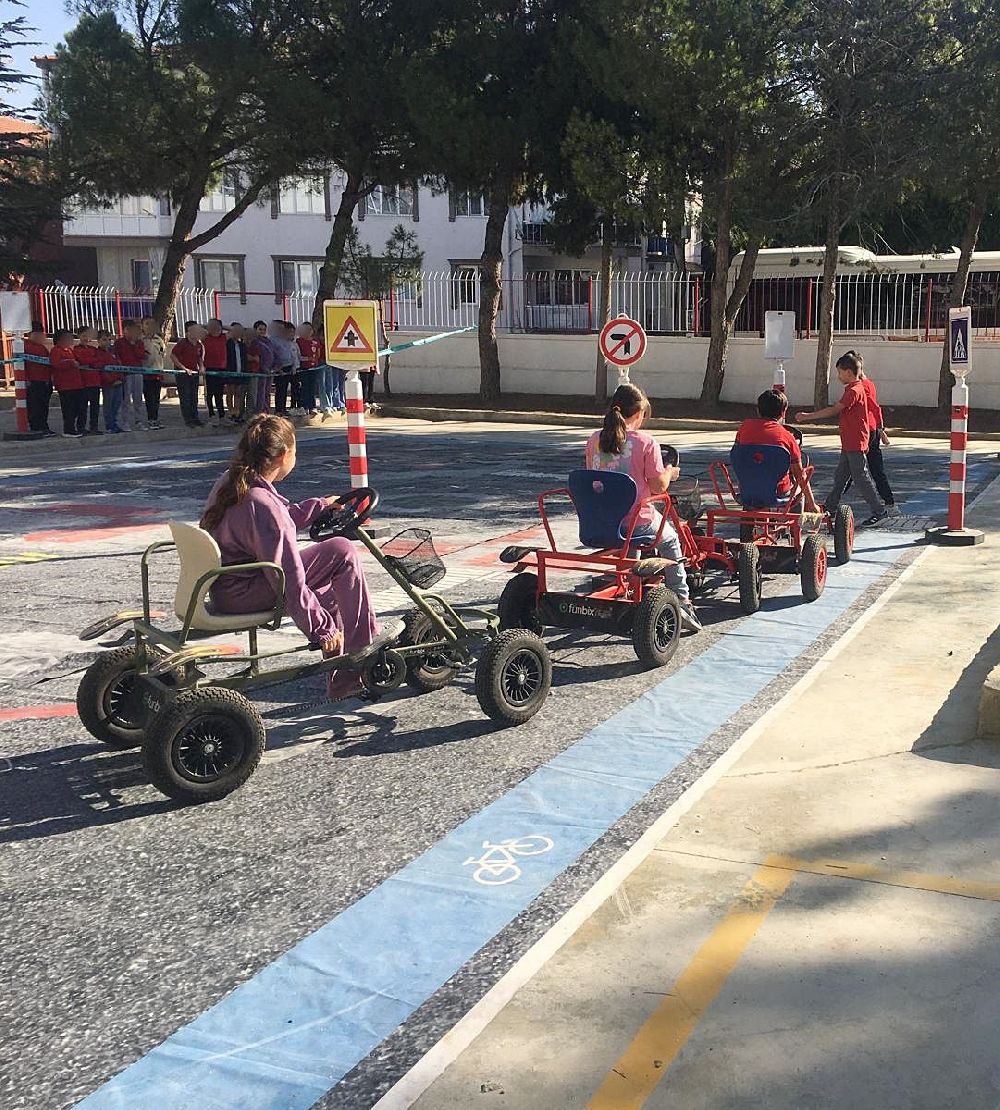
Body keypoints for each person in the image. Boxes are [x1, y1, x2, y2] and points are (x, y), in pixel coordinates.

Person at [199, 414, 401, 700]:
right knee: (341, 551)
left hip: (228, 586)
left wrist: (320, 506)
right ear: (283, 455)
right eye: (295, 451)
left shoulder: (235, 481)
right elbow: (288, 578)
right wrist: (322, 630)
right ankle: (361, 651)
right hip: (245, 591)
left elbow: (281, 519)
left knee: (329, 582)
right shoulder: (262, 504)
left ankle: (345, 678)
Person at [586, 382, 702, 632]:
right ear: (638, 414)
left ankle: (628, 584)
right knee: (669, 539)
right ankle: (682, 600)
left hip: (600, 520)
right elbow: (659, 486)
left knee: (633, 532)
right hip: (634, 522)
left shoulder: (594, 439)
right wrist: (670, 472)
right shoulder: (646, 442)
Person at [796, 350, 887, 527]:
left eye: (839, 372)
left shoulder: (853, 390)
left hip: (855, 441)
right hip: (850, 441)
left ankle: (878, 511)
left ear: (848, 371)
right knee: (841, 477)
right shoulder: (856, 388)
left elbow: (834, 410)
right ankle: (830, 507)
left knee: (861, 477)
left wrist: (808, 416)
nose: (838, 376)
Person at [735, 389, 820, 512]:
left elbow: (738, 454)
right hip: (778, 491)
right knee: (798, 490)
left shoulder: (744, 428)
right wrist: (812, 503)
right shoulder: (787, 437)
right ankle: (795, 529)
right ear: (783, 412)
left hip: (747, 489)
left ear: (758, 410)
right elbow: (799, 473)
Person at [855, 355, 896, 514]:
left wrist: (880, 429)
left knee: (861, 469)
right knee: (860, 469)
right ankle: (888, 502)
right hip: (869, 430)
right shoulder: (868, 384)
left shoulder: (862, 386)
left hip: (866, 431)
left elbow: (874, 408)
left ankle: (888, 503)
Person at [49, 329, 86, 438]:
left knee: (78, 408)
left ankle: (77, 428)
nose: (71, 340)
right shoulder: (56, 350)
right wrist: (70, 363)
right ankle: (68, 429)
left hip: (76, 384)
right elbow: (56, 364)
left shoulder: (70, 351)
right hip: (65, 385)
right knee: (68, 409)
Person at [171, 320, 206, 427]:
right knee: (185, 397)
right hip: (182, 374)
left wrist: (201, 367)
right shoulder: (182, 343)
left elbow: (200, 358)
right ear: (188, 332)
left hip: (194, 373)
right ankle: (188, 419)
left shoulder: (199, 345)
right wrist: (184, 368)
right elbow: (173, 356)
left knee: (193, 397)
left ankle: (195, 418)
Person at [114, 319, 148, 431]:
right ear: (125, 330)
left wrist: (134, 345)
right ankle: (125, 422)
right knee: (126, 399)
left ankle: (139, 421)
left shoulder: (139, 343)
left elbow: (141, 355)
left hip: (138, 372)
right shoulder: (119, 343)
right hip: (126, 374)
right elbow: (117, 358)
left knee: (138, 398)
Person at [23, 320, 55, 436]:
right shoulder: (24, 347)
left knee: (44, 406)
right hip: (32, 381)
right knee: (33, 406)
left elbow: (49, 364)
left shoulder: (42, 348)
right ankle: (35, 427)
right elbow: (22, 365)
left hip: (44, 381)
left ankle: (44, 426)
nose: (39, 336)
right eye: (36, 334)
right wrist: (26, 379)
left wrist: (50, 379)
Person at [73, 325, 104, 435]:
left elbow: (100, 361)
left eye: (88, 336)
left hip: (95, 381)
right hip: (83, 382)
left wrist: (91, 363)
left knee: (95, 407)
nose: (86, 338)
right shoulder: (76, 349)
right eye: (83, 335)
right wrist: (92, 362)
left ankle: (94, 427)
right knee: (82, 407)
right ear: (79, 336)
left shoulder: (94, 349)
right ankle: (81, 427)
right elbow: (82, 360)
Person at [95, 329, 124, 433]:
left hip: (119, 382)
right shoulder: (98, 353)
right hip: (108, 383)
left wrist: (120, 378)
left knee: (117, 403)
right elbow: (101, 368)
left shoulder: (113, 353)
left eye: (108, 340)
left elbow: (119, 366)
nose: (106, 342)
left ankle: (115, 423)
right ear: (98, 341)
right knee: (109, 404)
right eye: (103, 340)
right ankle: (109, 425)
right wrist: (111, 380)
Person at [140, 315, 165, 429]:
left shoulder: (158, 339)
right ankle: (151, 419)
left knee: (156, 397)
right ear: (142, 326)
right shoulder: (140, 340)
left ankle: (155, 418)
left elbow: (162, 353)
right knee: (149, 397)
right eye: (147, 324)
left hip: (158, 372)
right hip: (146, 374)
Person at [203, 317, 229, 426]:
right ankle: (211, 414)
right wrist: (207, 326)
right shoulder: (205, 337)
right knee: (210, 393)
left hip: (221, 368)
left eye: (215, 325)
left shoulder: (223, 337)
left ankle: (222, 415)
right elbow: (196, 328)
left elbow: (236, 331)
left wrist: (222, 326)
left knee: (219, 393)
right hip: (209, 368)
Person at [295, 320, 323, 418]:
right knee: (305, 387)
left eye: (309, 329)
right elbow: (298, 355)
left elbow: (318, 354)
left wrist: (315, 361)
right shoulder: (299, 341)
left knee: (312, 388)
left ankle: (312, 407)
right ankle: (304, 406)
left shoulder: (315, 341)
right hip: (303, 368)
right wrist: (306, 359)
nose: (308, 331)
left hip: (313, 368)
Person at [249, 320, 275, 414]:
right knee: (260, 393)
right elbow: (258, 357)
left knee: (267, 392)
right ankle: (260, 412)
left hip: (270, 371)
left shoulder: (268, 341)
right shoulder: (255, 342)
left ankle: (267, 410)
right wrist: (264, 368)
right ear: (255, 330)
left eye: (264, 329)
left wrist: (275, 367)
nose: (262, 331)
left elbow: (273, 354)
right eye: (260, 329)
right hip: (260, 371)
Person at [225, 322, 248, 423]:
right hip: (230, 370)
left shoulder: (242, 345)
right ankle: (231, 412)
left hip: (240, 370)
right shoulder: (227, 343)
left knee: (238, 393)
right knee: (230, 392)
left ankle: (237, 412)